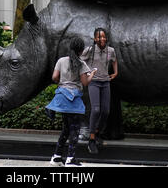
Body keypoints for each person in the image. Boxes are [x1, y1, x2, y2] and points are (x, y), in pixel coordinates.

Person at [45, 36, 97, 167]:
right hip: (73, 101)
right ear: (81, 50)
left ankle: (56, 157)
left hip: (62, 98)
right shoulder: (82, 64)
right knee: (75, 130)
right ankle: (70, 159)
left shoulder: (61, 61)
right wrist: (92, 74)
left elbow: (54, 77)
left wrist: (63, 84)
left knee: (66, 129)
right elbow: (85, 83)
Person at [81, 27, 118, 154]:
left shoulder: (110, 50)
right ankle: (91, 140)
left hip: (106, 83)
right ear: (95, 38)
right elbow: (81, 61)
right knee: (96, 109)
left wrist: (115, 72)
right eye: (99, 37)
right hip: (94, 83)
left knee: (106, 111)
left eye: (103, 36)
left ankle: (96, 132)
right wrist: (86, 74)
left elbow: (114, 61)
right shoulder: (90, 50)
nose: (102, 39)